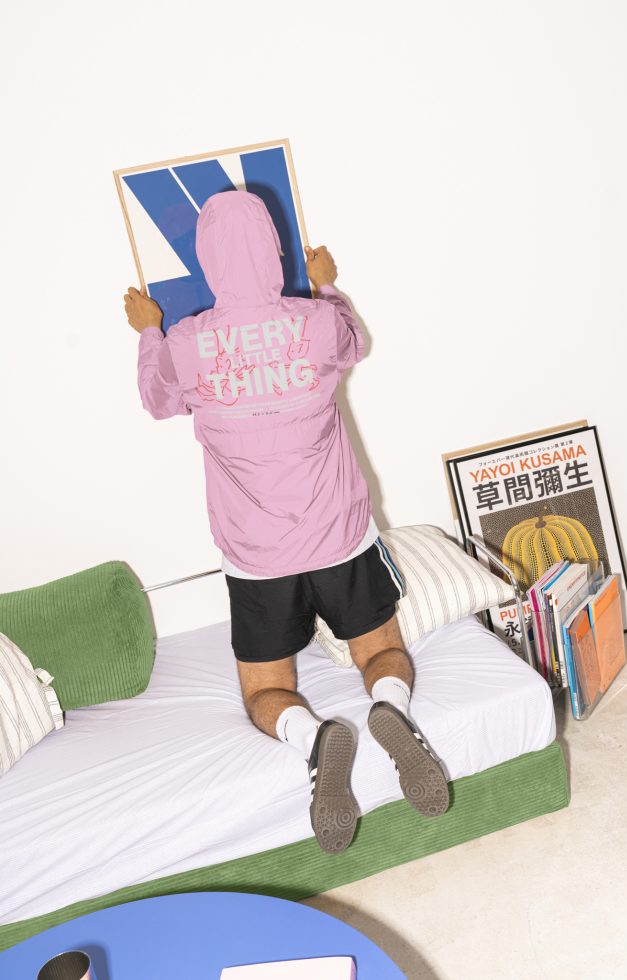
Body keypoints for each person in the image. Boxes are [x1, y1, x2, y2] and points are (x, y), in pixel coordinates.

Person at [124, 190, 449, 854]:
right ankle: (391, 709)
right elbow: (352, 343)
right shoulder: (316, 323)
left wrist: (150, 329)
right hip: (339, 536)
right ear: (273, 252)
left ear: (208, 263)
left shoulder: (188, 344)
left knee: (264, 688)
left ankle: (313, 738)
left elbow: (159, 402)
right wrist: (328, 285)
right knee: (380, 650)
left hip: (256, 555)